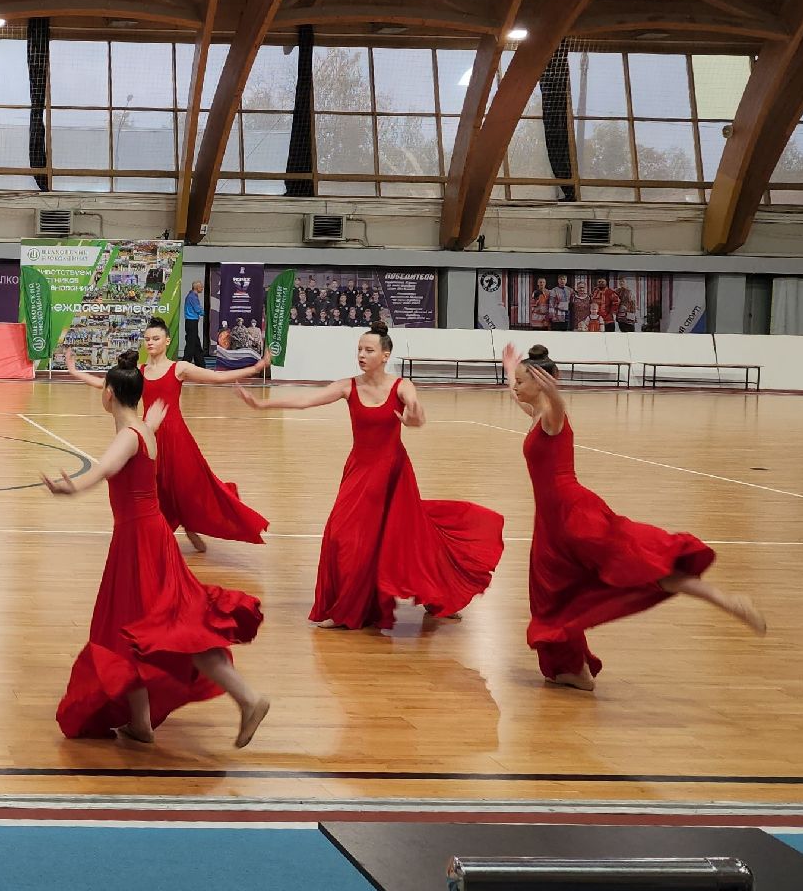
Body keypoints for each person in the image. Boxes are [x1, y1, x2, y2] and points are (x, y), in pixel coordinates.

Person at [503, 344, 763, 690]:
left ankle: (727, 601)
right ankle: (574, 670)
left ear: (542, 382)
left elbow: (558, 406)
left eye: (523, 381)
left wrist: (555, 390)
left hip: (575, 517)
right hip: (552, 524)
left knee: (640, 567)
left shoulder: (552, 414)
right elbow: (515, 395)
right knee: (552, 597)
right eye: (518, 382)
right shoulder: (535, 413)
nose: (517, 387)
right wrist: (510, 367)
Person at [45, 351, 270, 748]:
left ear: (110, 394)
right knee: (141, 631)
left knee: (171, 629)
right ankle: (141, 722)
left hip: (140, 544)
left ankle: (249, 697)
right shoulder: (145, 430)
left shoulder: (129, 437)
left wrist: (72, 487)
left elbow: (100, 471)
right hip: (146, 539)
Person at [238, 322, 504, 632]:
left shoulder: (401, 386)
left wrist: (413, 416)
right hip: (360, 470)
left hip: (393, 473)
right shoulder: (348, 386)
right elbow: (306, 400)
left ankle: (437, 596)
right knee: (341, 535)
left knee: (407, 537)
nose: (362, 355)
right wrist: (263, 403)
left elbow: (417, 417)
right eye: (359, 350)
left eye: (369, 350)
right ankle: (346, 607)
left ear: (385, 355)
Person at [65, 318, 269, 555]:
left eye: (155, 338)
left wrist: (254, 369)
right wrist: (75, 372)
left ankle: (192, 527)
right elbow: (106, 384)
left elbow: (216, 377)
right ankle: (170, 534)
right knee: (157, 489)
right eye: (147, 339)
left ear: (167, 340)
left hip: (177, 438)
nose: (150, 343)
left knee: (188, 487)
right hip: (149, 436)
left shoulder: (178, 368)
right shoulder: (139, 372)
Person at [182, 281, 205, 366]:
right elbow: (198, 309)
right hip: (192, 322)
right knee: (191, 344)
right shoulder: (193, 297)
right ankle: (185, 363)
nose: (202, 288)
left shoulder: (191, 296)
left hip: (191, 322)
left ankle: (200, 363)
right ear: (197, 288)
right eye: (201, 287)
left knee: (196, 344)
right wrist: (204, 312)